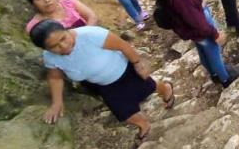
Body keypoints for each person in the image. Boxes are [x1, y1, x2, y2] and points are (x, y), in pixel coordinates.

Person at [30, 19, 174, 141]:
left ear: (67, 30)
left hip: (125, 71)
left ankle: (166, 89)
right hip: (103, 85)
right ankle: (143, 124)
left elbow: (122, 45)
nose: (63, 46)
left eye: (63, 38)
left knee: (148, 88)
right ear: (46, 49)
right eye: (54, 46)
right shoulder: (50, 58)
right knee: (123, 112)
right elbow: (55, 77)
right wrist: (57, 102)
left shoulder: (91, 34)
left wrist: (137, 62)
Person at [155, 0, 239, 86]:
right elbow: (197, 22)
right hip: (201, 29)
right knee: (214, 54)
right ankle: (225, 79)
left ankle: (213, 74)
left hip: (193, 30)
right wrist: (215, 34)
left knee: (204, 51)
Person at [25, 0, 98, 32]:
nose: (47, 0)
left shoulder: (69, 3)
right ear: (33, 3)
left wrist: (86, 35)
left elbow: (91, 16)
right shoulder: (34, 26)